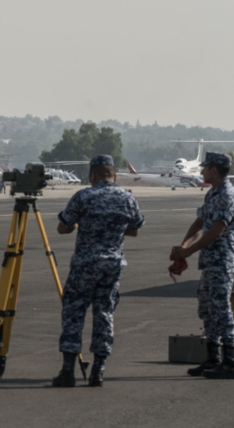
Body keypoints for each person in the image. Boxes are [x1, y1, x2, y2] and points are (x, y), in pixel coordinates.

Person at [52, 155, 144, 387]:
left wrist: (79, 224)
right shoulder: (127, 198)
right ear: (114, 175)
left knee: (74, 313)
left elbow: (63, 228)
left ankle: (68, 371)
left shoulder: (84, 196)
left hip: (85, 263)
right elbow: (134, 231)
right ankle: (98, 371)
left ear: (92, 175)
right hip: (112, 265)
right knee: (104, 313)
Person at [170, 152, 234, 380]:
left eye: (204, 168)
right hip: (209, 262)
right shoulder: (212, 194)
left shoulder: (227, 195)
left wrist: (189, 251)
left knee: (221, 309)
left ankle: (229, 362)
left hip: (222, 261)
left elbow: (216, 230)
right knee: (207, 309)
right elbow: (200, 222)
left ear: (213, 169)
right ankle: (213, 358)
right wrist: (184, 244)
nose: (201, 171)